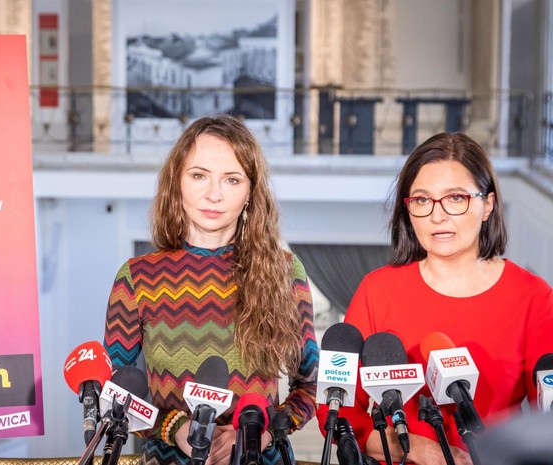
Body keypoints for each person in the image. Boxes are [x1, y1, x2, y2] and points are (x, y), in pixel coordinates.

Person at [321, 132, 553, 465]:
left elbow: (546, 423)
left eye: (456, 198)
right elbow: (339, 415)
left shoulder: (533, 297)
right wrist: (420, 449)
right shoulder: (377, 291)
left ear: (487, 204)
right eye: (422, 200)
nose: (437, 215)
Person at [102, 115, 318, 465]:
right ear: (177, 182)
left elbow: (310, 385)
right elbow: (116, 393)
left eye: (232, 179)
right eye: (199, 175)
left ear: (250, 192)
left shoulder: (285, 270)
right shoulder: (138, 277)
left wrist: (260, 433)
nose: (214, 194)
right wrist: (175, 428)